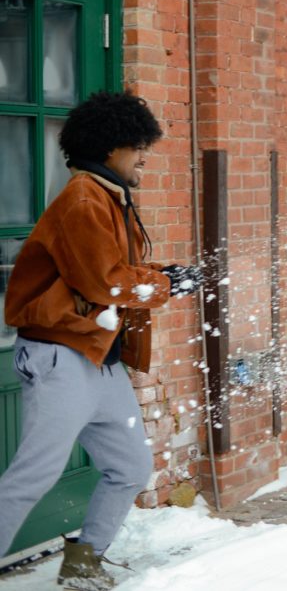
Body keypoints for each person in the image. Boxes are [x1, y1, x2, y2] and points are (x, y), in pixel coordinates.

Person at [0, 91, 200, 590]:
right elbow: (104, 282)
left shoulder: (106, 196)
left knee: (130, 467)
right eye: (138, 147)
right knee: (33, 477)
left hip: (97, 358)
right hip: (61, 358)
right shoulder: (84, 200)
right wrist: (167, 284)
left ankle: (83, 564)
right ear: (112, 148)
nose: (144, 157)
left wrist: (165, 273)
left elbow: (109, 272)